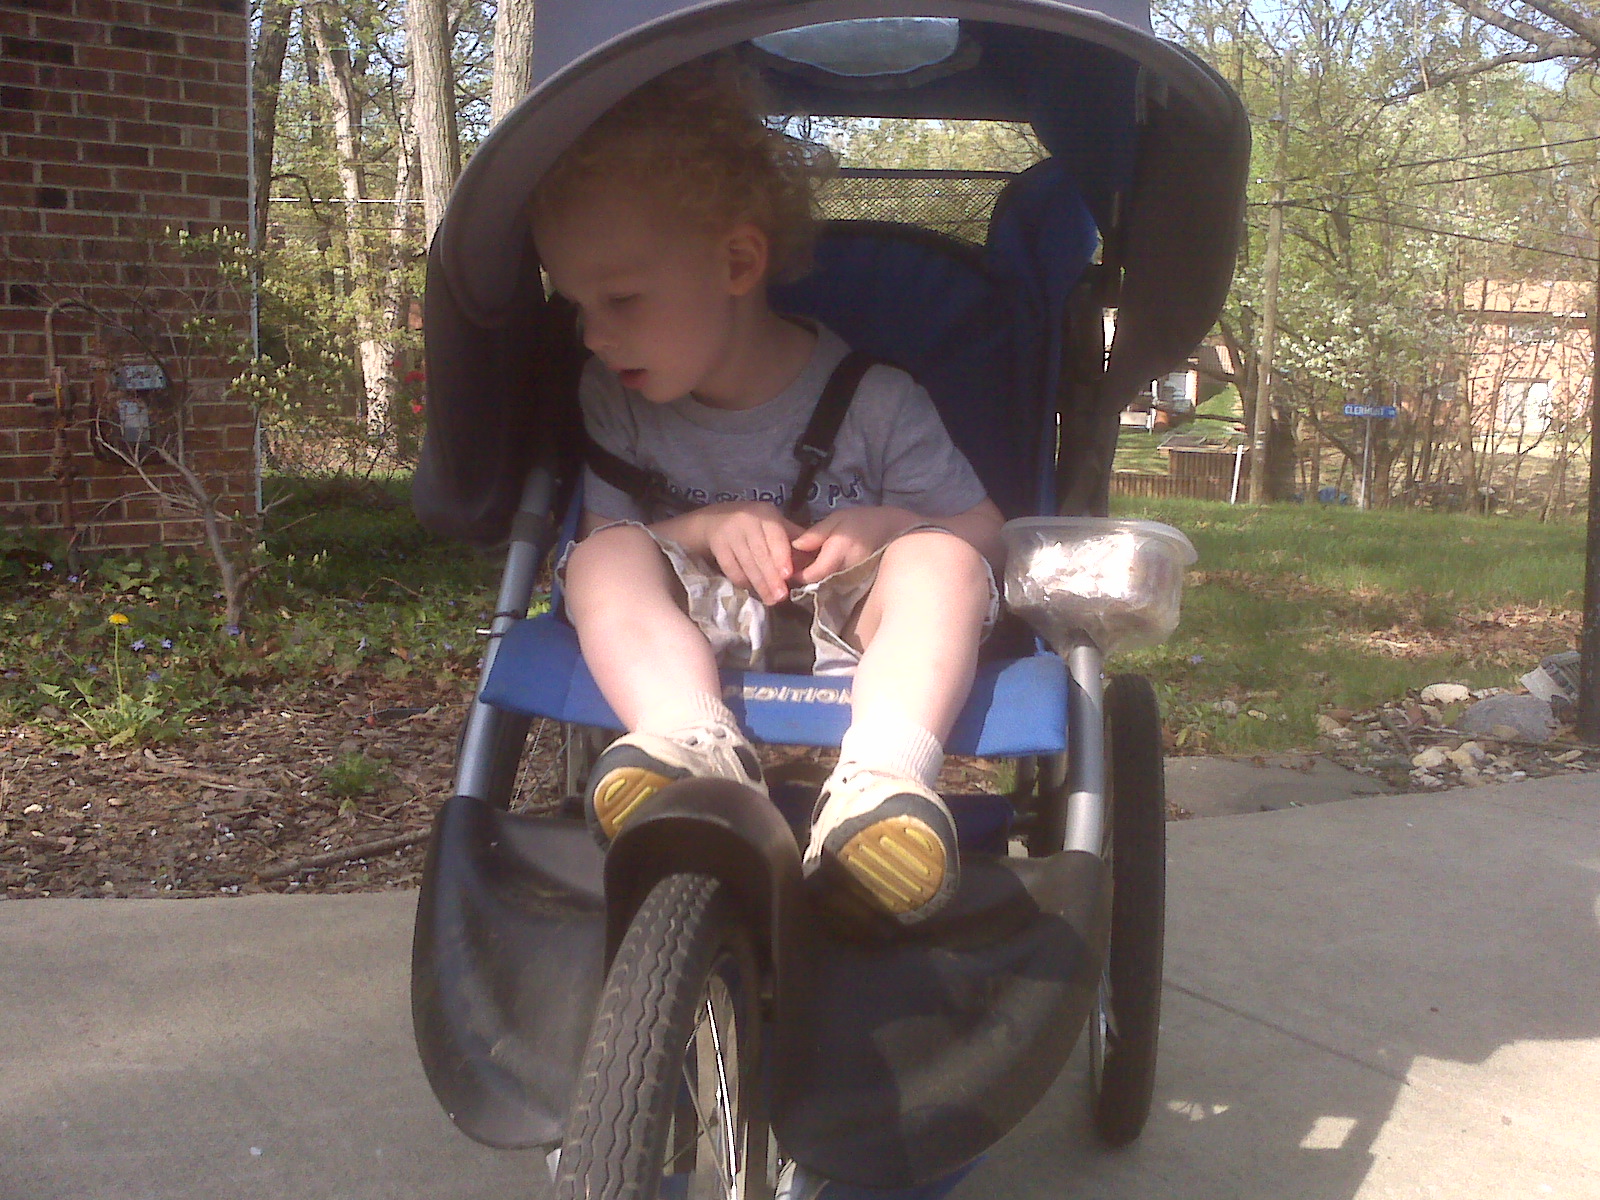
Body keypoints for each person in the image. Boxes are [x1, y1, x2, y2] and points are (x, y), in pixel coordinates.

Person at [530, 58, 1004, 927]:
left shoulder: (877, 400)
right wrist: (704, 526)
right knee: (600, 558)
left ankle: (879, 787)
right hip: (686, 637)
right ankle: (691, 750)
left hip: (854, 630)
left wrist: (890, 528)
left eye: (621, 300)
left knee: (946, 558)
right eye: (578, 308)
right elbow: (606, 535)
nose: (594, 335)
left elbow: (987, 531)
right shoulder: (614, 399)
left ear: (738, 262)